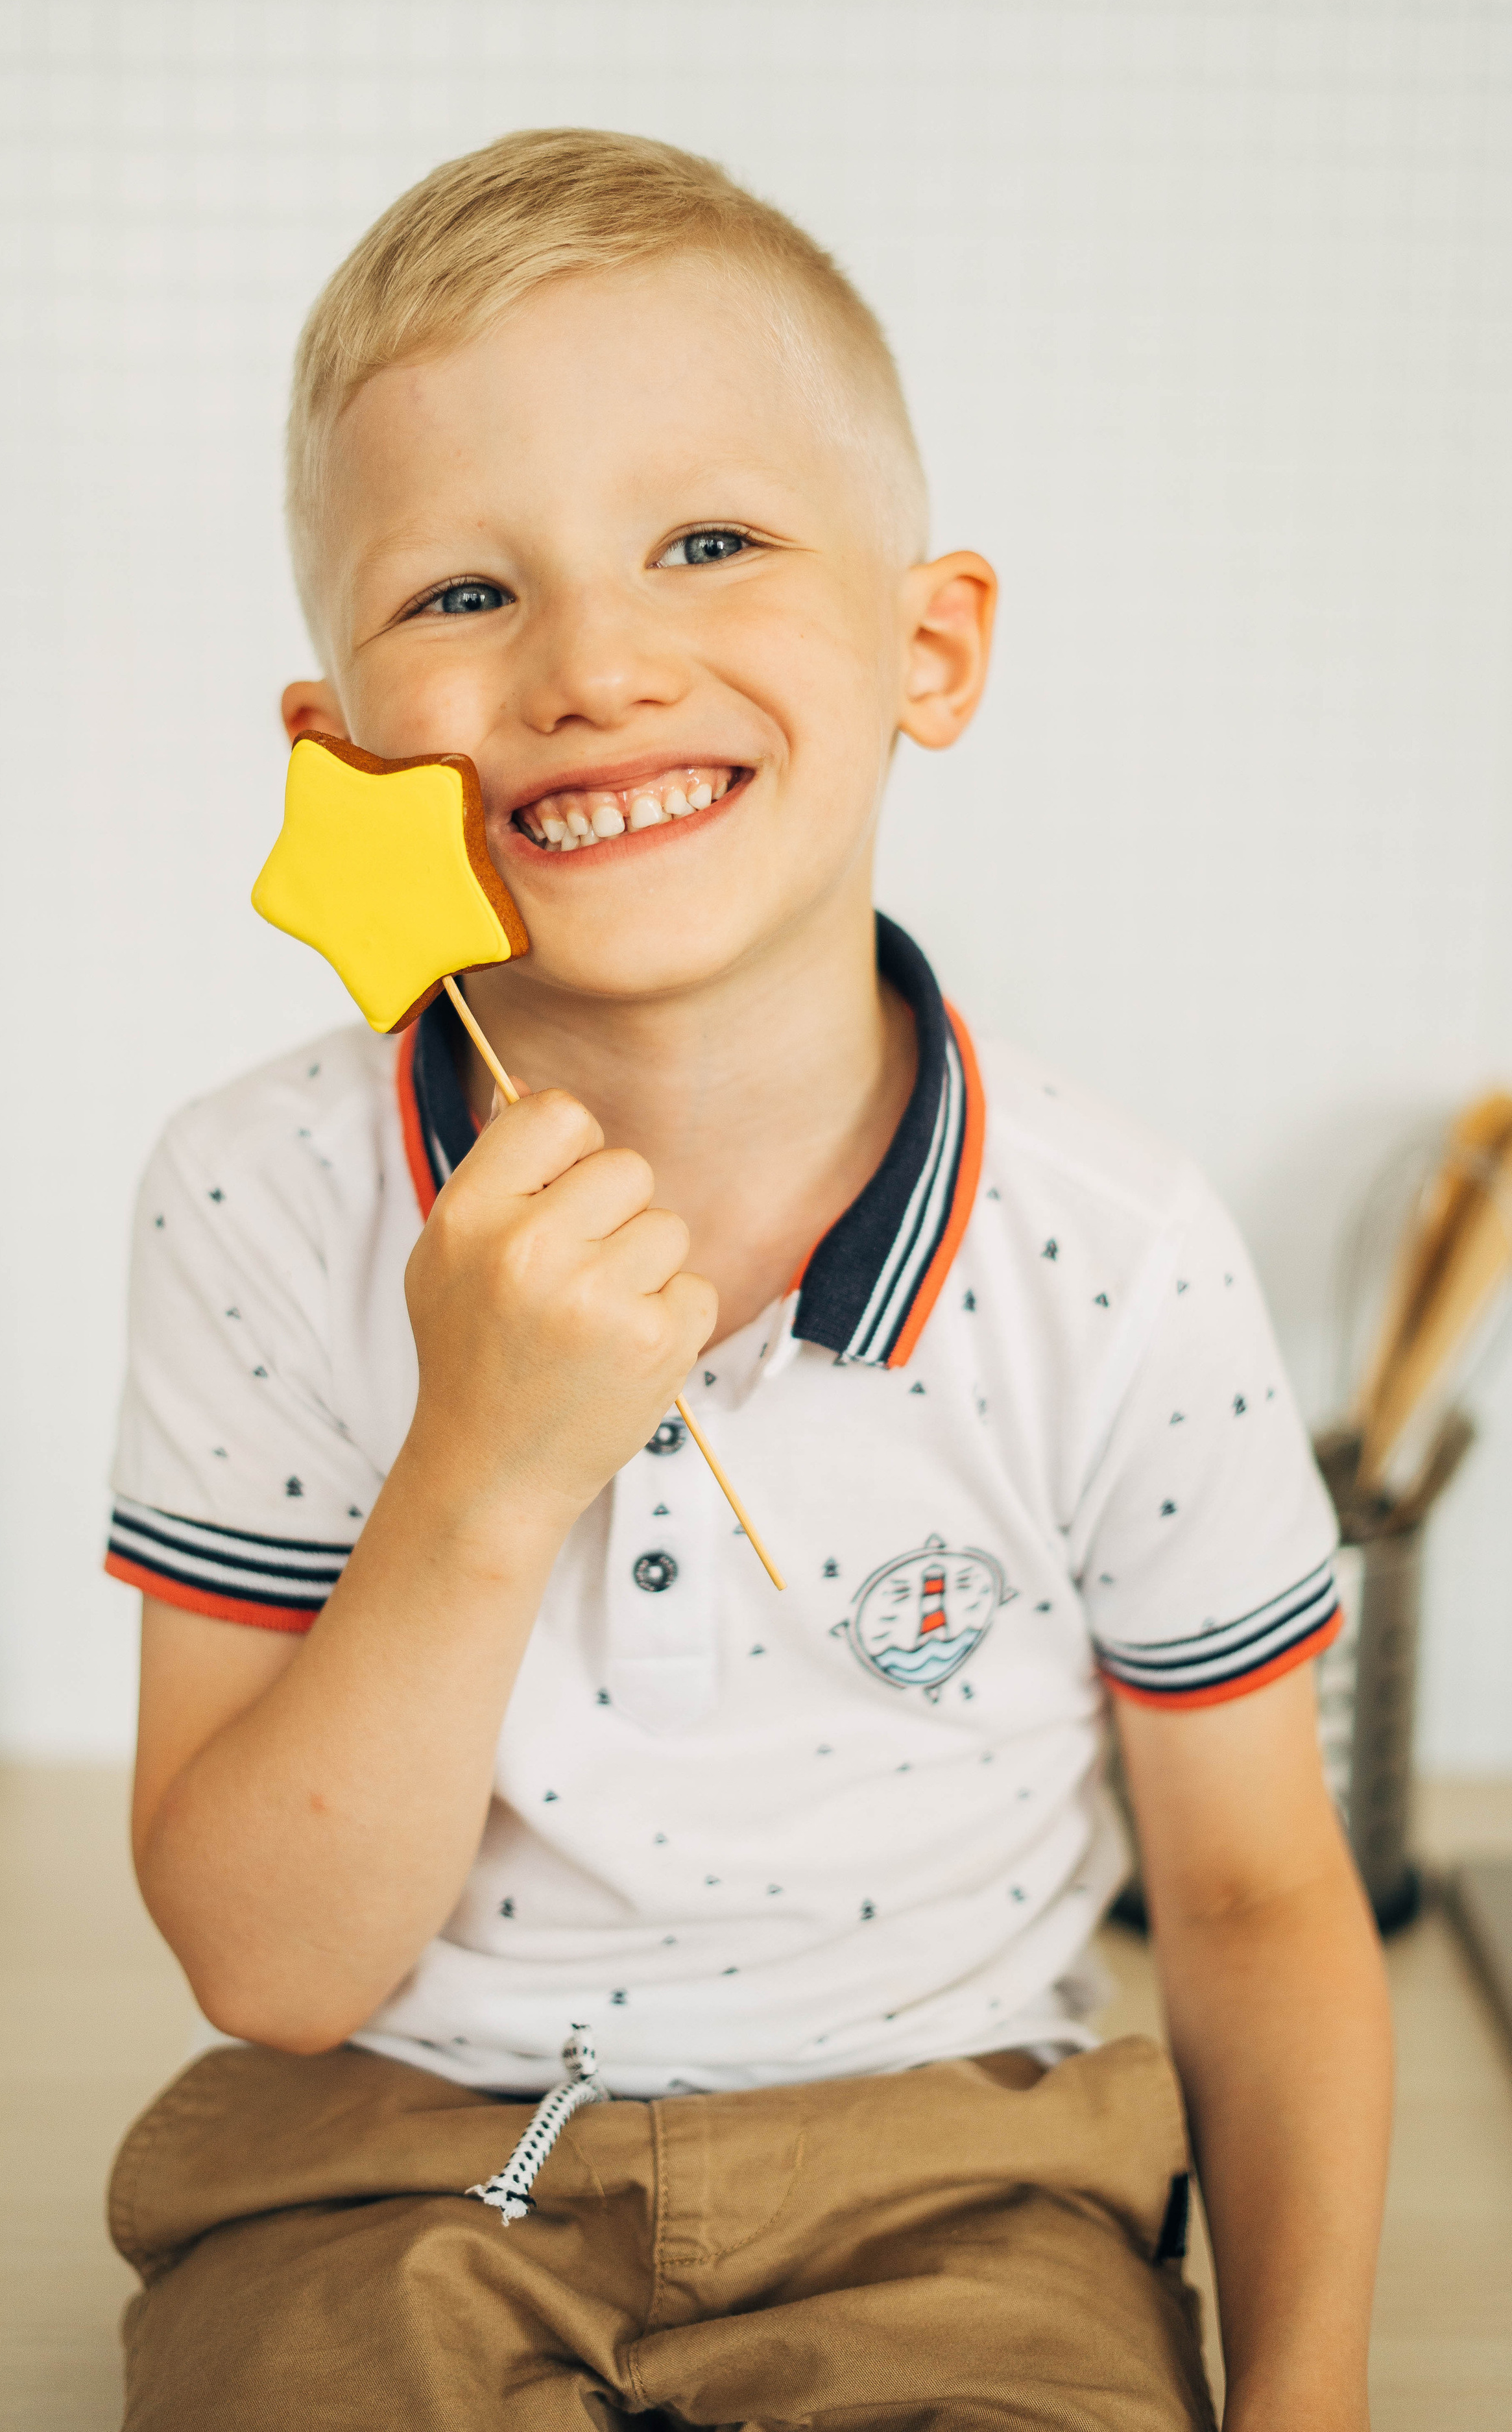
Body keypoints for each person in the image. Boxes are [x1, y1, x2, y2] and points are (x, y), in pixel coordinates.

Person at [104, 130, 1391, 2431]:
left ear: (932, 646)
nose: (596, 664)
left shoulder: (1113, 1255)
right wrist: (482, 1475)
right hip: (381, 2170)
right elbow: (269, 1964)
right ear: (341, 760)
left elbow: (1265, 1906)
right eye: (460, 595)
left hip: (963, 2183)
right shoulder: (252, 1201)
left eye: (708, 542)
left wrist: (1302, 2404)